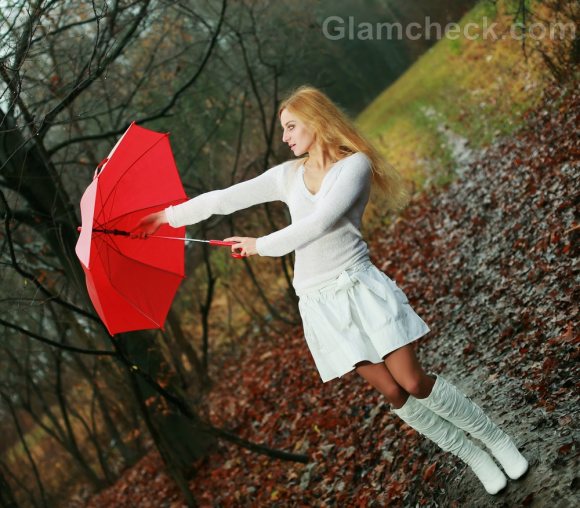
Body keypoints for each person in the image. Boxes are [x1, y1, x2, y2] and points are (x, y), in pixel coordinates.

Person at [131, 85, 529, 495]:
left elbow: (318, 224)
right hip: (319, 302)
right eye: (283, 129)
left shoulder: (353, 166)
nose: (285, 137)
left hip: (358, 285)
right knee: (393, 393)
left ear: (316, 121)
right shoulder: (287, 176)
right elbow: (226, 199)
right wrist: (166, 216)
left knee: (411, 380)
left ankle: (495, 439)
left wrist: (259, 245)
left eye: (290, 126)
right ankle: (473, 455)